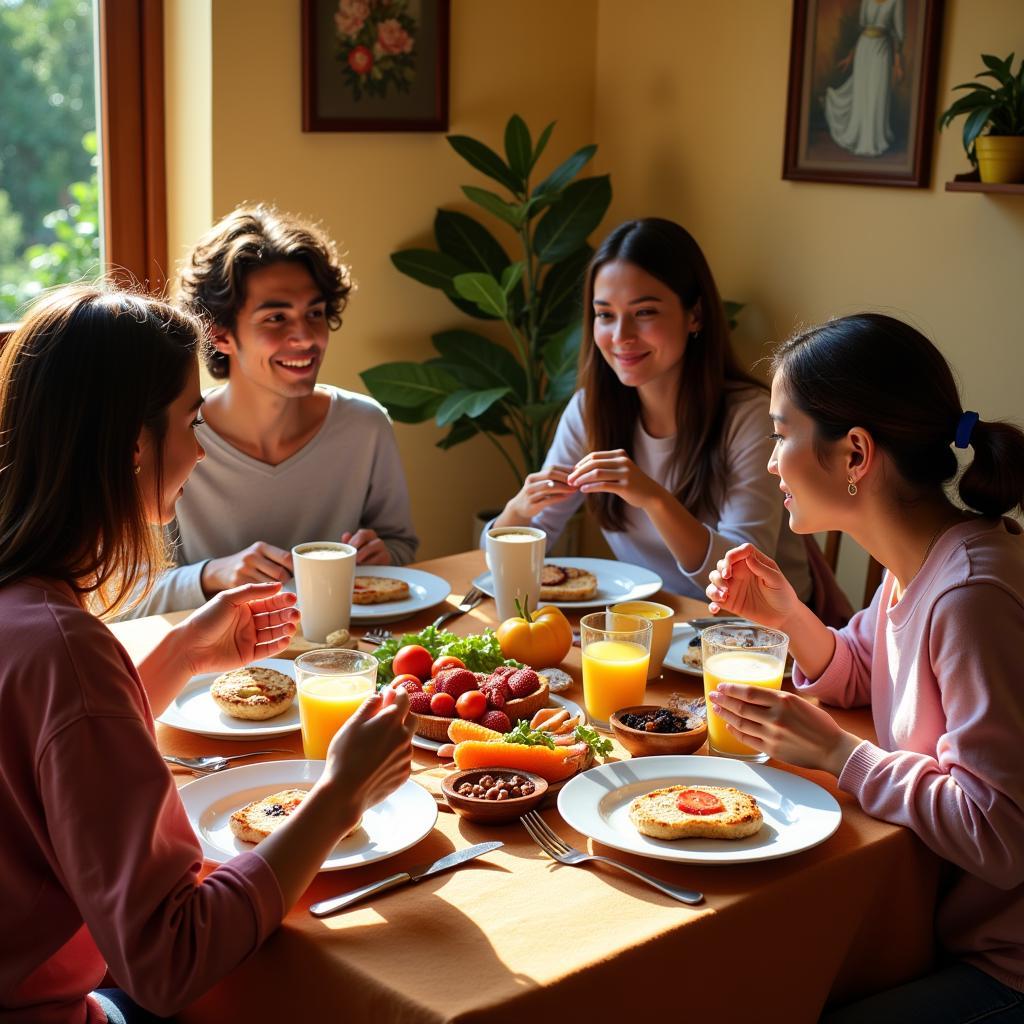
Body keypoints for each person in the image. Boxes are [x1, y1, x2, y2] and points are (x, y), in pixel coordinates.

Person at [0, 286, 414, 1023]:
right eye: (191, 421)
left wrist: (180, 657)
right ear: (134, 445)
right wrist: (340, 794)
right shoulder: (66, 651)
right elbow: (171, 958)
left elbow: (46, 754)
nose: (199, 446)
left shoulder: (26, 615)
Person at [705, 313, 1024, 1022]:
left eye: (783, 432)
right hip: (936, 924)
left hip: (1003, 965)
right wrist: (790, 616)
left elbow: (999, 832)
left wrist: (836, 751)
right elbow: (866, 669)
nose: (768, 458)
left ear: (855, 454)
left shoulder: (972, 595)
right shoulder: (919, 563)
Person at [491, 217, 811, 603]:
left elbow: (744, 580)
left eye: (644, 313)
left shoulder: (749, 416)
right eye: (605, 314)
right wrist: (517, 511)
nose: (621, 336)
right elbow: (506, 561)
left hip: (762, 642)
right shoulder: (590, 410)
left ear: (695, 315)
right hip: (657, 623)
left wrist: (654, 499)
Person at [125, 204, 418, 618]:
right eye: (276, 317)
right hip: (216, 672)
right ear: (220, 334)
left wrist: (383, 552)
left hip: (341, 659)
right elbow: (122, 595)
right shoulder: (172, 438)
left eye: (314, 313)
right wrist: (211, 575)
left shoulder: (366, 425)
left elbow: (403, 548)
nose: (306, 336)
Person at [825, 0, 905, 157]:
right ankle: (859, 136)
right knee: (861, 93)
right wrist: (850, 56)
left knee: (877, 93)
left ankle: (874, 140)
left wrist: (897, 64)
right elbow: (863, 29)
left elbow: (898, 34)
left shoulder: (897, 2)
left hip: (882, 49)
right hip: (864, 48)